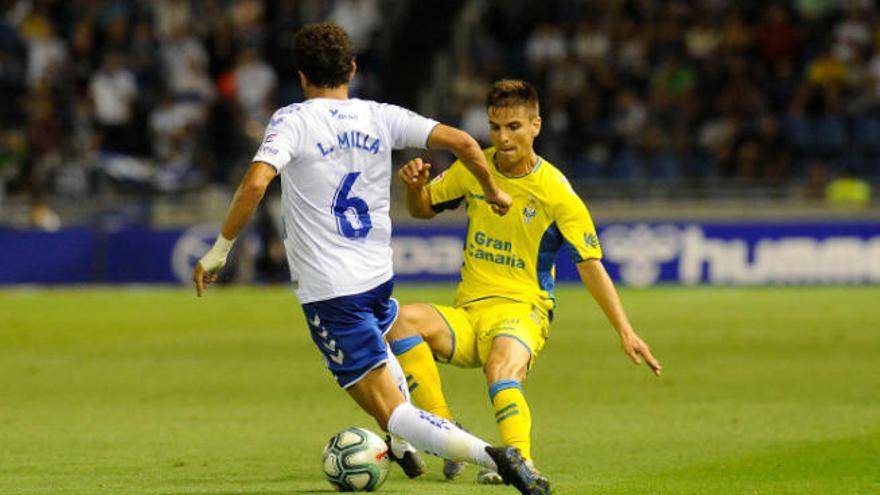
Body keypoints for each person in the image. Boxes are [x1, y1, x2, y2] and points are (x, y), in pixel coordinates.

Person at [191, 23, 549, 495]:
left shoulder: (292, 120)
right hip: (376, 278)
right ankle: (403, 447)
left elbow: (257, 183)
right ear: (353, 70)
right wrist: (494, 191)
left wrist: (219, 252)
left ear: (301, 77)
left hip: (330, 291)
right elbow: (464, 142)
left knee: (387, 405)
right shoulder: (381, 115)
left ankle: (493, 454)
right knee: (379, 362)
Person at [388, 79, 662, 484]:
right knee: (398, 320)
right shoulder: (473, 169)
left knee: (500, 368)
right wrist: (413, 189)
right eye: (495, 127)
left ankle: (522, 462)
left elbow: (589, 264)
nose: (503, 137)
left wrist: (625, 330)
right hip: (468, 315)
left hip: (522, 313)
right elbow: (424, 209)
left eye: (514, 126)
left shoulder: (556, 193)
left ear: (536, 125)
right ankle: (446, 434)